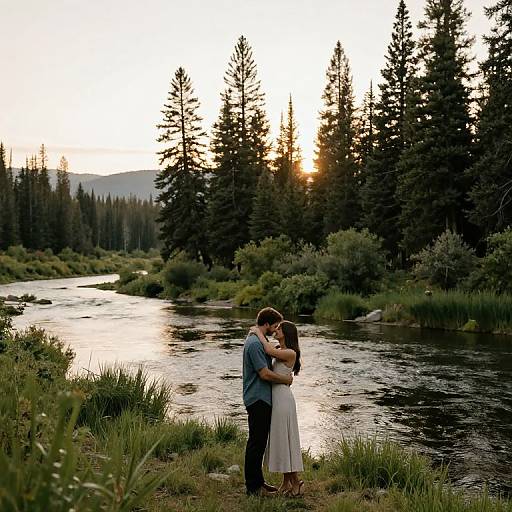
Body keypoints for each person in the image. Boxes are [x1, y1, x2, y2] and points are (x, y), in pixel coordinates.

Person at [249, 320, 304, 497]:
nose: (276, 329)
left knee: (285, 439)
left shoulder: (290, 353)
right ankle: (286, 482)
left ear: (286, 332)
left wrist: (258, 332)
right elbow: (270, 351)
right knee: (281, 439)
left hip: (283, 400)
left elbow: (267, 350)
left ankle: (295, 482)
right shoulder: (281, 351)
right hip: (277, 398)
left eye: (279, 328)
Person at [243, 307, 293, 496]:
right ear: (266, 324)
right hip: (257, 398)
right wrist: (285, 380)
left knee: (260, 441)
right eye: (274, 326)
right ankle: (253, 487)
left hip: (261, 397)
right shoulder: (255, 344)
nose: (275, 329)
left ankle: (259, 483)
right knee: (256, 442)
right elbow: (264, 373)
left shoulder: (258, 341)